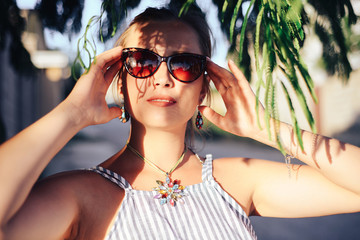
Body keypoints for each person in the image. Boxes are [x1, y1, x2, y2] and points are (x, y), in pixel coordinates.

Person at [1, 4, 360, 240]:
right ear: (120, 82)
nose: (162, 78)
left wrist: (269, 130)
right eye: (142, 61)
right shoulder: (79, 195)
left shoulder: (237, 179)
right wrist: (70, 115)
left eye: (184, 64)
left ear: (205, 86)